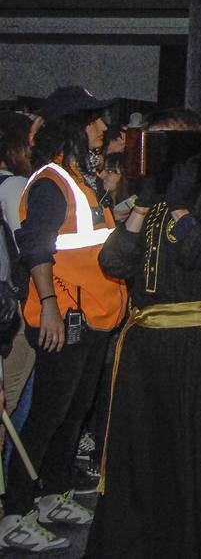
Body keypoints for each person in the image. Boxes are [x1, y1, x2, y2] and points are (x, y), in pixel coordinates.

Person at [85, 108, 201, 559]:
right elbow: (114, 264)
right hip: (144, 345)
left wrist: (186, 213)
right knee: (140, 455)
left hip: (192, 344)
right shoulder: (151, 198)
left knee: (187, 456)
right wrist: (143, 204)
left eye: (165, 143)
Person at [1, 87, 127, 553]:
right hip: (65, 318)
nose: (102, 128)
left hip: (93, 315)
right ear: (71, 127)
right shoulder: (53, 181)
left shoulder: (82, 177)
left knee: (72, 414)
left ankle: (54, 495)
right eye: (93, 121)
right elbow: (36, 248)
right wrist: (50, 307)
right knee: (46, 417)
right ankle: (16, 512)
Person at [0, 113, 38, 465]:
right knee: (13, 398)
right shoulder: (13, 187)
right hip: (14, 305)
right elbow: (25, 244)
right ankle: (13, 497)